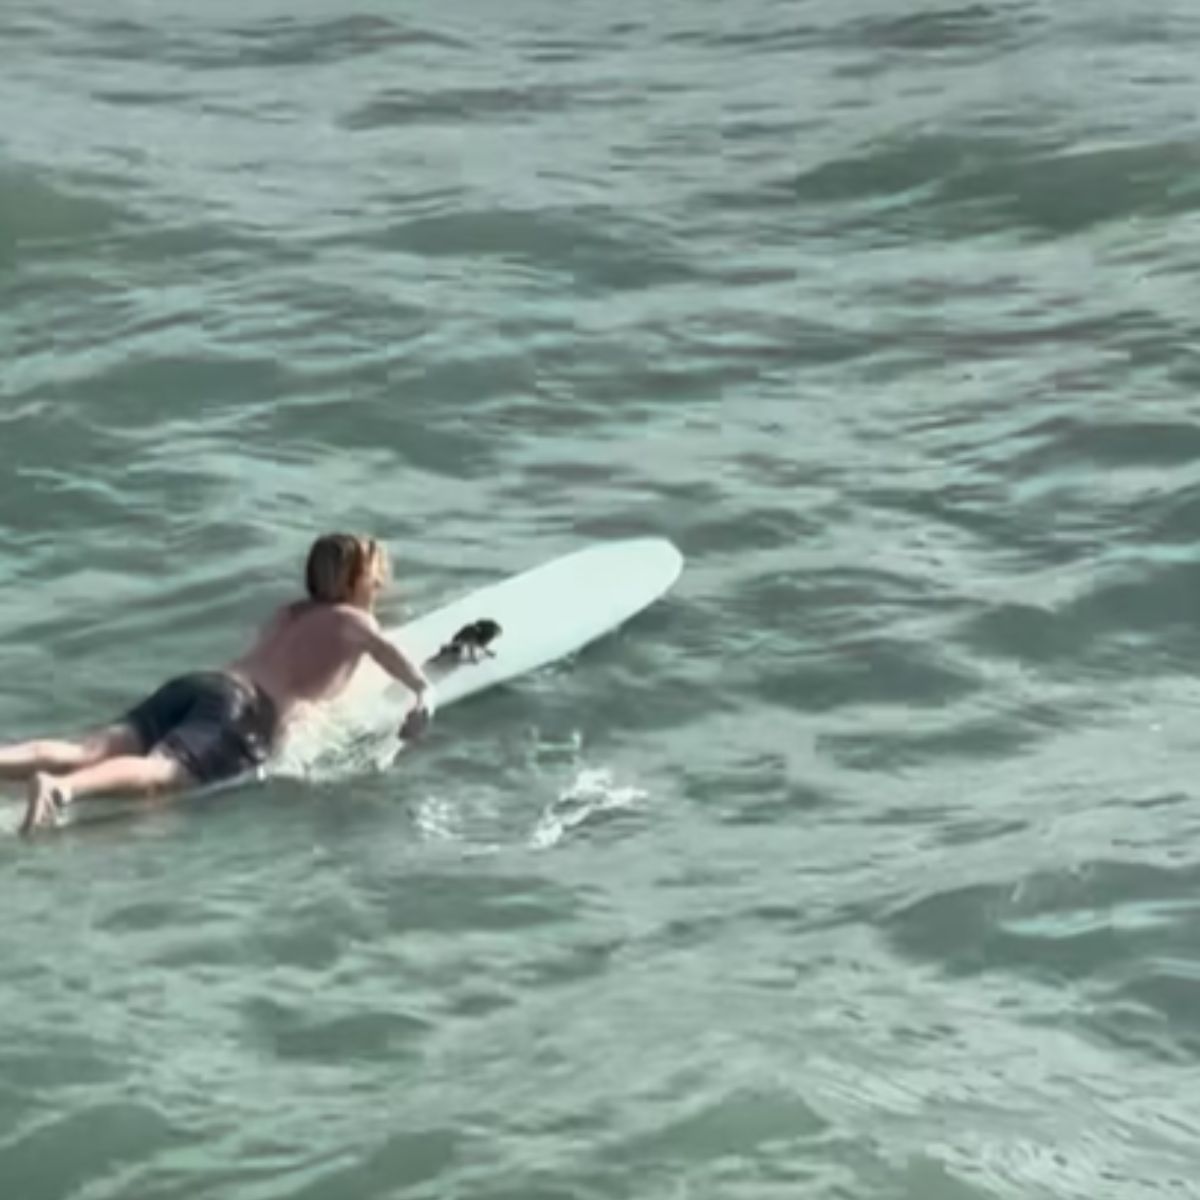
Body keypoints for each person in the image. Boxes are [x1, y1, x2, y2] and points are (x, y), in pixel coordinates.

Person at [0, 533, 434, 833]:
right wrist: (422, 693)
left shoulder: (288, 614)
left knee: (86, 749)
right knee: (163, 770)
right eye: (375, 581)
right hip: (241, 710)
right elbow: (386, 653)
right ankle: (61, 789)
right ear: (357, 582)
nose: (378, 589)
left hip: (204, 683)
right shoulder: (355, 621)